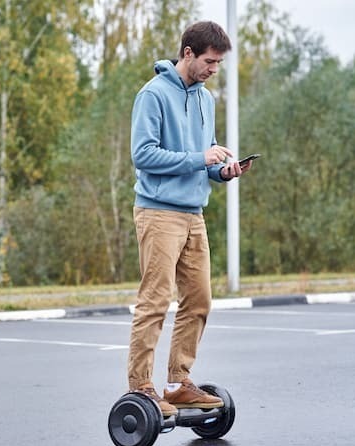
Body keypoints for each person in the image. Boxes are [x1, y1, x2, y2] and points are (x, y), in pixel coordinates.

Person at [127, 21, 253, 418]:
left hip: (194, 214)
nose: (214, 69)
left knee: (199, 301)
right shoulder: (152, 95)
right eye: (209, 61)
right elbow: (143, 155)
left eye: (218, 63)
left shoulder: (206, 100)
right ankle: (141, 386)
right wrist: (200, 159)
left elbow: (206, 155)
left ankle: (178, 382)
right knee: (155, 301)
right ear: (187, 54)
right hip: (158, 212)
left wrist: (222, 171)